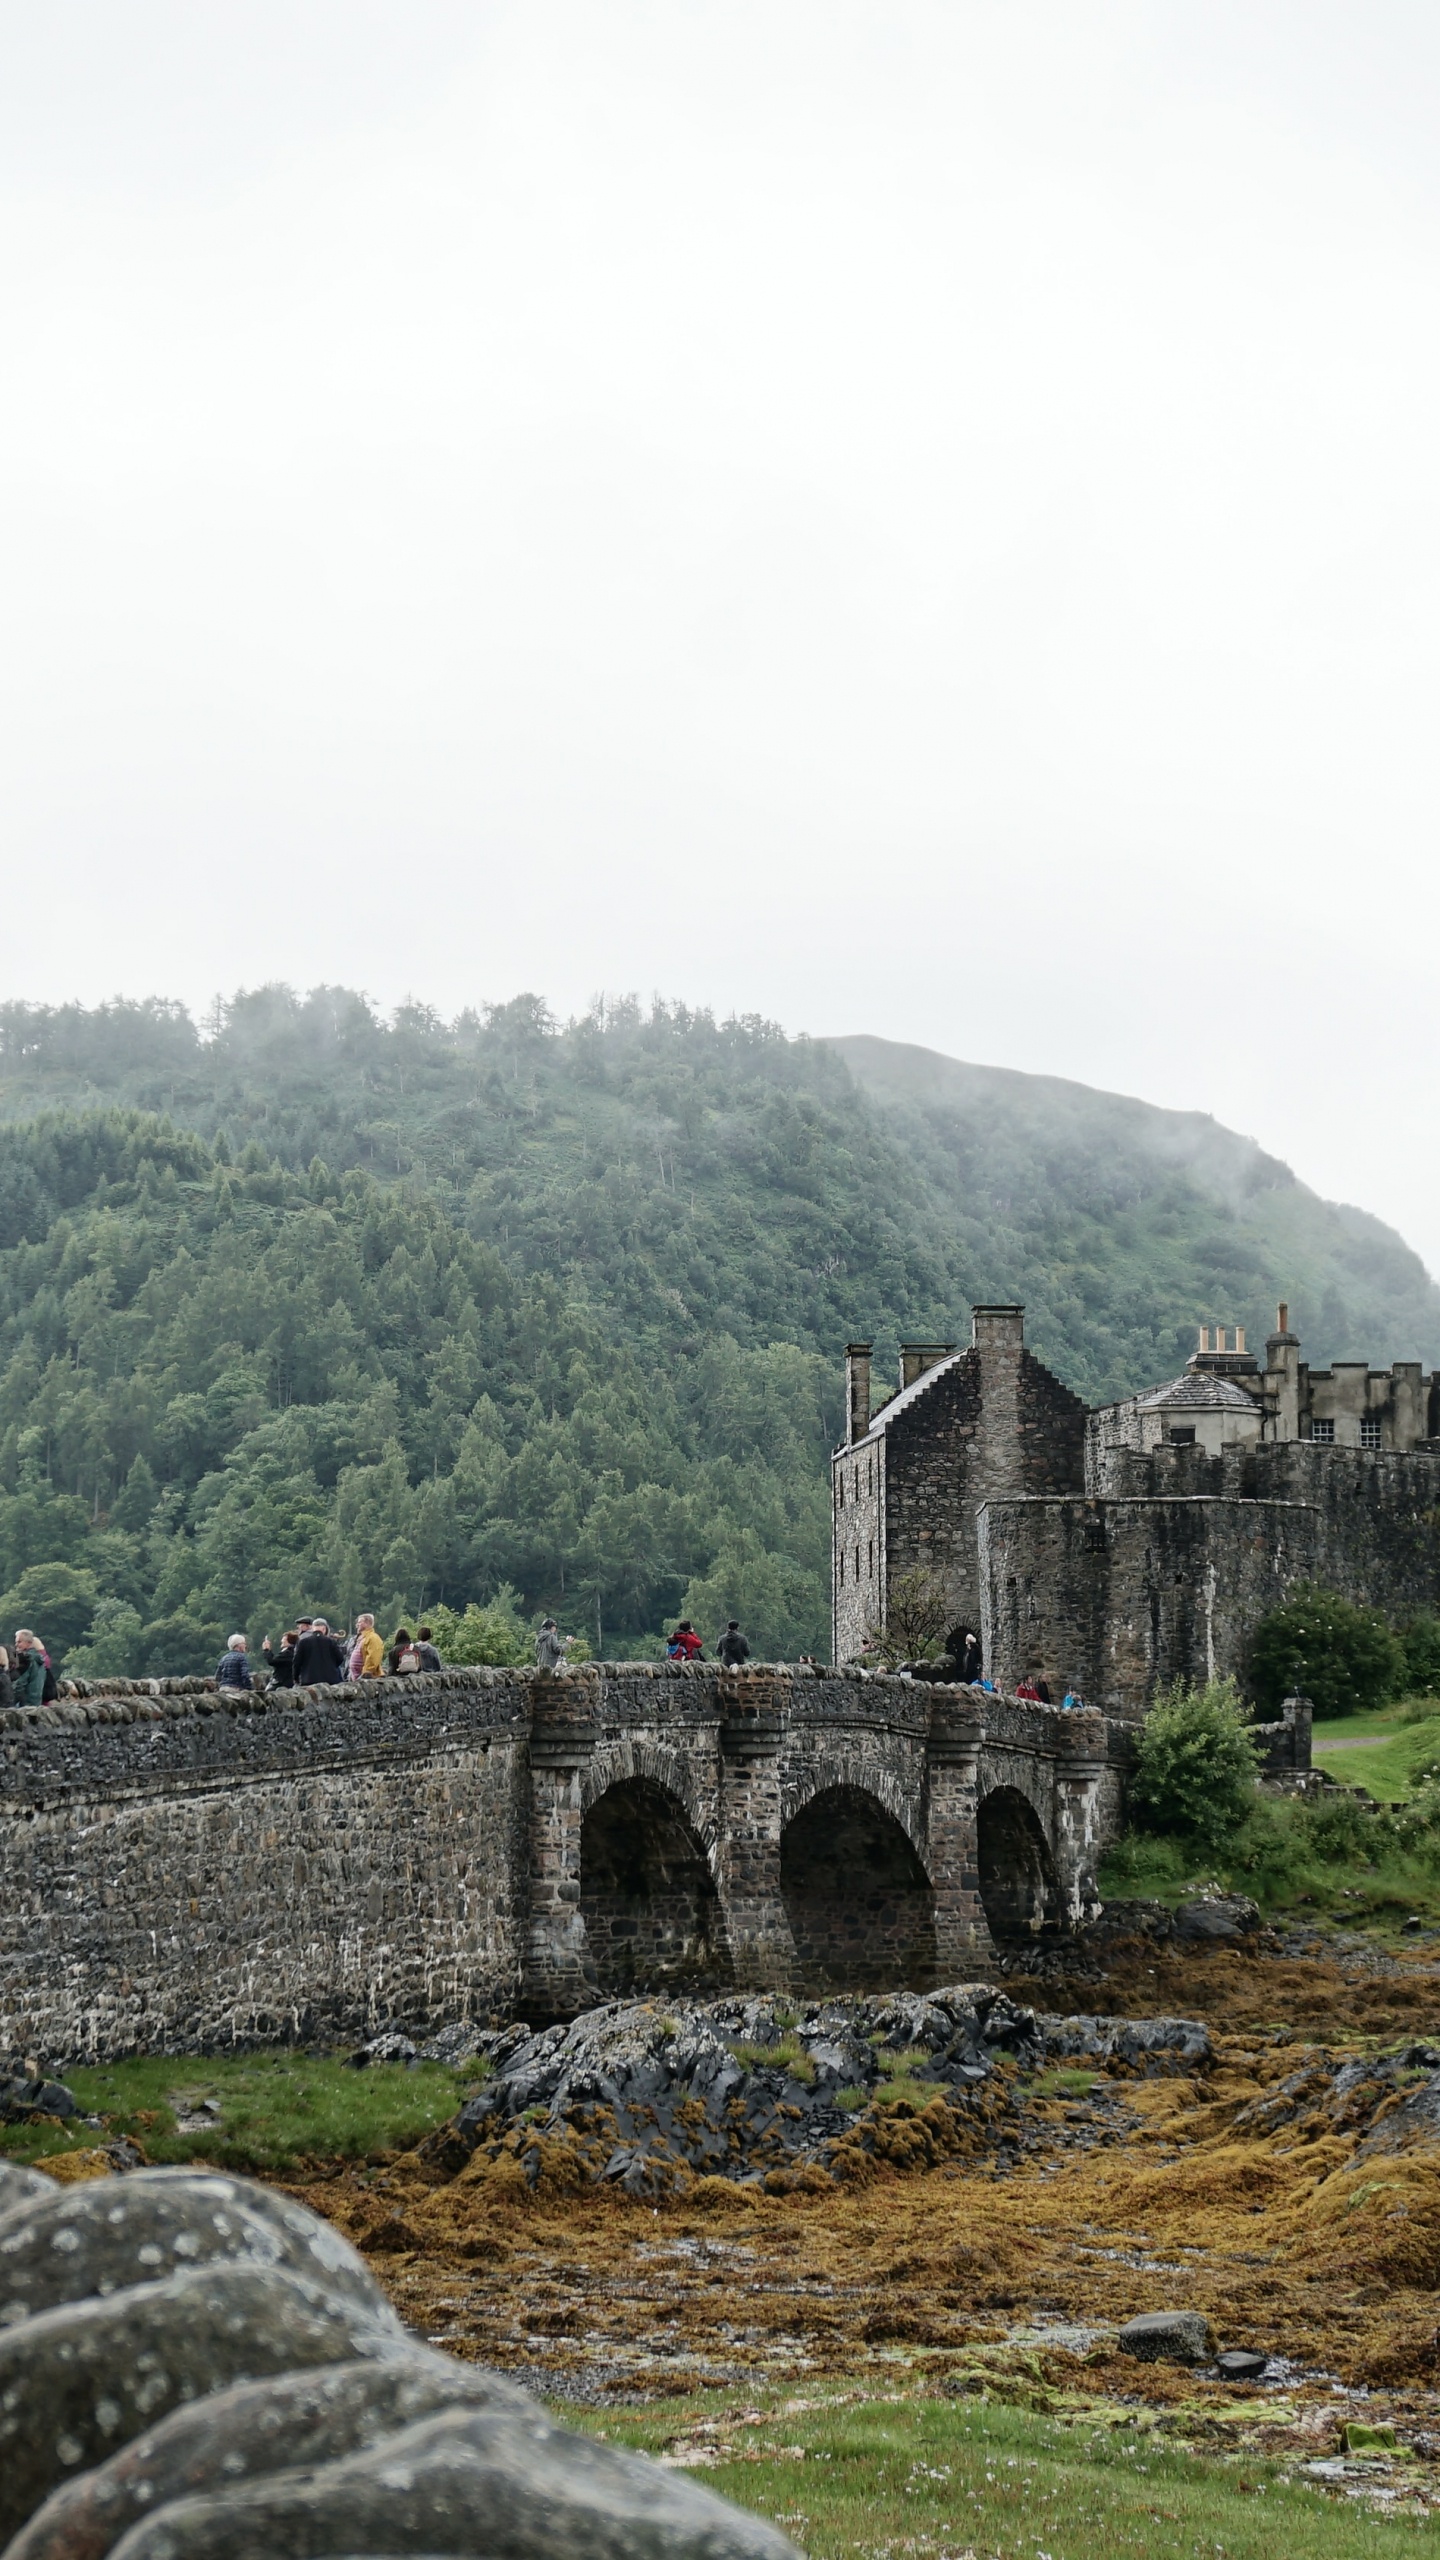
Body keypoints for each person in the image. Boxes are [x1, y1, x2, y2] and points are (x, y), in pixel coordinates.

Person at [291, 1618, 346, 1686]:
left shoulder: (303, 1642)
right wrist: (331, 1666)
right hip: (329, 1680)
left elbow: (297, 1662)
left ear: (313, 1628)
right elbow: (340, 1658)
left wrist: (296, 1678)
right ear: (324, 1629)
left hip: (309, 1679)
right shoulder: (331, 1641)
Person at [12, 1630, 46, 1706]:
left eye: (19, 1642)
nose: (16, 1645)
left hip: (24, 1705)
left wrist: (10, 1701)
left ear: (29, 1643)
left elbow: (20, 1684)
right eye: (16, 1642)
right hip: (36, 1703)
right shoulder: (40, 1660)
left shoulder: (26, 1660)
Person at [349, 1613, 385, 1679]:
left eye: (360, 1622)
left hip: (366, 1678)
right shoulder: (361, 1637)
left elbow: (373, 1657)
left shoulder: (373, 1638)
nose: (357, 1624)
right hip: (357, 1677)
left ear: (367, 1623)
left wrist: (366, 1672)